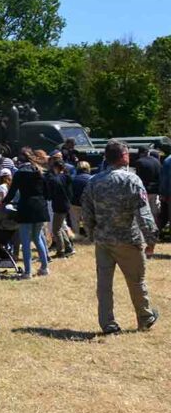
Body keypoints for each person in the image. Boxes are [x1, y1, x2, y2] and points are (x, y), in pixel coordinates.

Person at [81, 140, 159, 334]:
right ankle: (145, 317)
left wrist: (91, 233)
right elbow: (144, 213)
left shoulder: (94, 181)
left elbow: (87, 212)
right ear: (124, 156)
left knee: (104, 285)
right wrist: (151, 239)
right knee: (136, 281)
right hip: (128, 240)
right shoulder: (131, 180)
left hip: (103, 241)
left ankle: (108, 323)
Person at [1, 149, 51, 279]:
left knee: (25, 240)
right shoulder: (40, 171)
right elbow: (47, 192)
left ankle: (28, 271)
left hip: (26, 207)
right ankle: (44, 267)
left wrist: (3, 203)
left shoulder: (19, 173)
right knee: (37, 238)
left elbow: (12, 192)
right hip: (40, 207)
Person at [47, 157, 75, 258]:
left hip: (59, 205)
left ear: (55, 167)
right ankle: (69, 247)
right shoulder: (67, 177)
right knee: (60, 227)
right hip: (66, 204)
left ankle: (60, 251)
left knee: (56, 229)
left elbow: (51, 193)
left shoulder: (56, 179)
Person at [132, 148, 162, 225]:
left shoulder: (139, 162)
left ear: (141, 154)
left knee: (145, 213)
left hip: (145, 191)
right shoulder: (157, 161)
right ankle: (156, 228)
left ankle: (148, 228)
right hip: (155, 191)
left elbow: (138, 178)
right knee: (155, 212)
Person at [70, 161, 93, 241]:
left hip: (74, 203)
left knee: (74, 221)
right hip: (87, 203)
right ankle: (89, 236)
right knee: (87, 220)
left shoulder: (72, 178)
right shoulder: (91, 179)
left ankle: (76, 236)